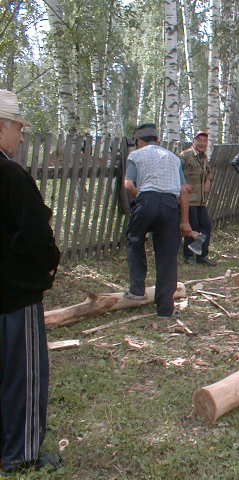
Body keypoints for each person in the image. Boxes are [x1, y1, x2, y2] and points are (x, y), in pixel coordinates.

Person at [0, 90, 63, 473]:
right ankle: (21, 452)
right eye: (18, 129)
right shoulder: (10, 174)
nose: (21, 138)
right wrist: (45, 271)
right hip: (13, 296)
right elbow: (38, 236)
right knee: (23, 377)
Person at [124, 123, 193, 317]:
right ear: (158, 140)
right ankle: (165, 309)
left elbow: (129, 184)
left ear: (139, 141)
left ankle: (137, 289)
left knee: (135, 240)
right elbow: (184, 191)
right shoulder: (173, 158)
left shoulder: (135, 155)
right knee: (167, 256)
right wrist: (185, 221)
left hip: (147, 200)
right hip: (171, 206)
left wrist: (141, 198)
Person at [179, 131, 216, 266]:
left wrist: (208, 180)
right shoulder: (185, 156)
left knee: (206, 226)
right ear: (194, 141)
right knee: (192, 226)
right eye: (199, 140)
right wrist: (182, 185)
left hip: (201, 200)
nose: (202, 143)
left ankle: (202, 255)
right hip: (188, 200)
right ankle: (188, 256)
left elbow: (209, 172)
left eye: (205, 141)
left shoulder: (204, 157)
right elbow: (177, 173)